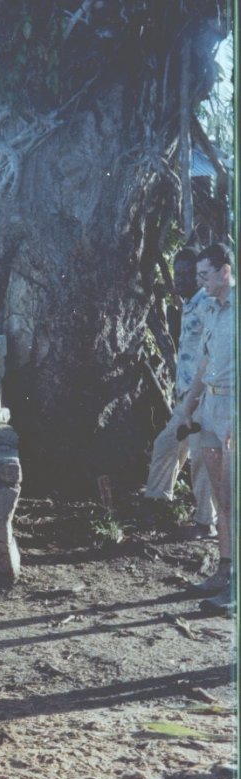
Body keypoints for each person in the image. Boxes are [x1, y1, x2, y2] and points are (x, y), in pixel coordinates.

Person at [142, 248, 215, 538]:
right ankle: (158, 501)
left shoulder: (207, 304)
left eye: (188, 274)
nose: (181, 279)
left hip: (204, 397)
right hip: (186, 397)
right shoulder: (188, 304)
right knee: (166, 444)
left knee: (200, 458)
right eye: (178, 274)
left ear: (199, 276)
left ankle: (205, 523)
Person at [181, 243, 236, 615]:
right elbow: (204, 361)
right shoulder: (212, 309)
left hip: (234, 409)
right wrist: (189, 407)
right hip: (211, 409)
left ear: (225, 272)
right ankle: (226, 570)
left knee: (236, 498)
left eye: (204, 275)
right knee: (222, 500)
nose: (199, 282)